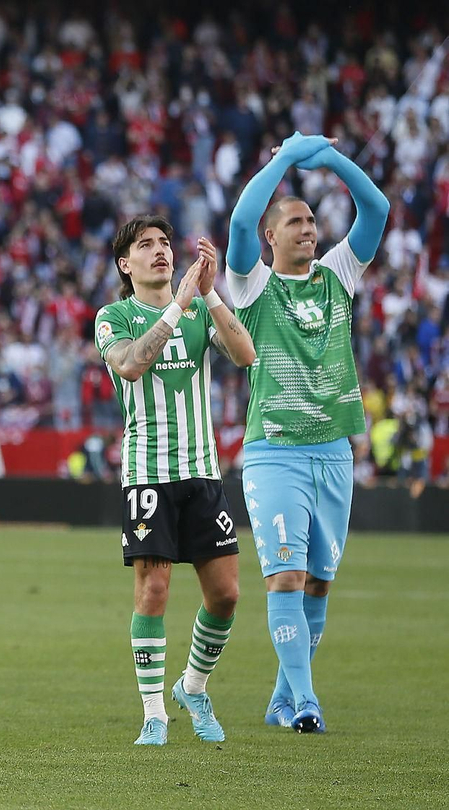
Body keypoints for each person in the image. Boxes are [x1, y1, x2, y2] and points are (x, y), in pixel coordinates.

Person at [225, 133, 389, 734]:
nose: (309, 229)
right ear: (272, 237)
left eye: (313, 220)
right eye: (295, 221)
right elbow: (243, 218)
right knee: (286, 575)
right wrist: (285, 159)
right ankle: (308, 701)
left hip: (334, 451)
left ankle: (281, 698)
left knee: (318, 581)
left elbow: (378, 210)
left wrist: (332, 161)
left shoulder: (339, 274)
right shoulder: (251, 285)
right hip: (274, 453)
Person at [95, 219, 256, 745]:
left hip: (203, 472)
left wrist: (208, 296)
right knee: (155, 589)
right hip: (148, 474)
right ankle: (154, 714)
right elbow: (130, 366)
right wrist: (176, 307)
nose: (160, 251)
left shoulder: (196, 310)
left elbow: (244, 354)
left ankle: (192, 686)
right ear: (126, 264)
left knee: (227, 595)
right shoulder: (113, 316)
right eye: (146, 246)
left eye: (165, 243)